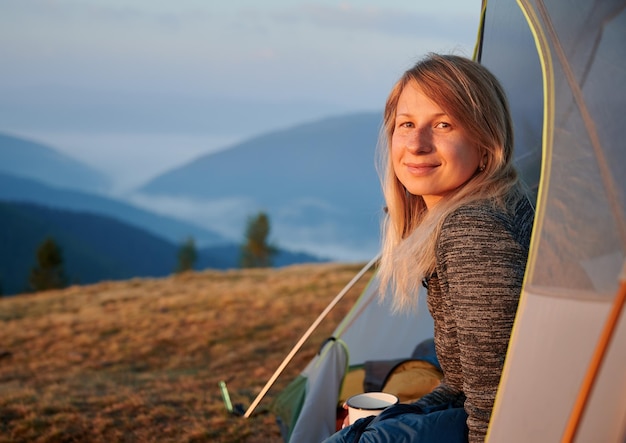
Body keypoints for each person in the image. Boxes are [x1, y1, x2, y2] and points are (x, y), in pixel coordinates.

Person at [324, 53, 534, 443]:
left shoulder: (473, 231)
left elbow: (496, 404)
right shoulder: (467, 212)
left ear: (486, 142)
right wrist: (397, 416)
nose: (417, 145)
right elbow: (459, 384)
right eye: (407, 124)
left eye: (443, 124)